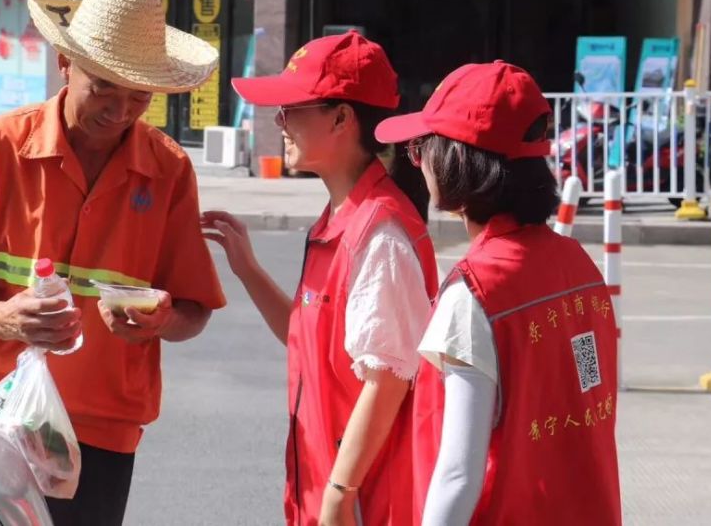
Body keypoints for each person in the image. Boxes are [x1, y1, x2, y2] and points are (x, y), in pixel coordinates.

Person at [0, 0, 226, 526]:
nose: (121, 109)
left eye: (139, 95)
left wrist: (159, 322)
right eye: (103, 86)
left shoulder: (170, 169)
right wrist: (4, 318)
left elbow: (192, 312)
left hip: (98, 429)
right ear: (64, 64)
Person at [203, 31, 438, 526]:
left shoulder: (381, 233)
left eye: (292, 108)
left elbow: (389, 379)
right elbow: (309, 340)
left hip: (363, 505)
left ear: (341, 117)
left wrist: (338, 493)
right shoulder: (342, 218)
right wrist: (248, 270)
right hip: (327, 495)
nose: (280, 121)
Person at [374, 61, 622, 525]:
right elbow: (590, 393)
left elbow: (457, 475)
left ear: (456, 161)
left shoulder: (475, 292)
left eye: (422, 148)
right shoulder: (579, 266)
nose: (419, 160)